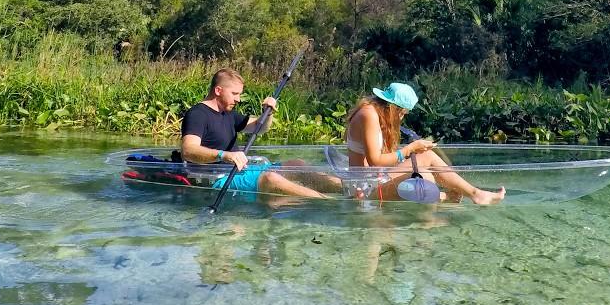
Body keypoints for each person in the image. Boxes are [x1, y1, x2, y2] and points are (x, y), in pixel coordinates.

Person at [345, 82, 505, 204]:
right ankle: (444, 197)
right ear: (394, 109)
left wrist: (412, 152)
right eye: (402, 113)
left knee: (426, 156)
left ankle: (475, 193)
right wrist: (409, 150)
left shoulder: (374, 112)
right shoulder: (369, 115)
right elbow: (375, 161)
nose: (401, 118)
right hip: (364, 189)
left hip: (376, 179)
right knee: (422, 174)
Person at [181, 68, 329, 199]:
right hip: (217, 178)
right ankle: (329, 203)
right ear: (218, 90)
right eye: (234, 94)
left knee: (297, 165)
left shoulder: (228, 113)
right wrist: (224, 155)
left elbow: (260, 127)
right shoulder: (197, 114)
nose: (238, 99)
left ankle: (347, 187)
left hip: (240, 170)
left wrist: (268, 112)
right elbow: (188, 151)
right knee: (271, 179)